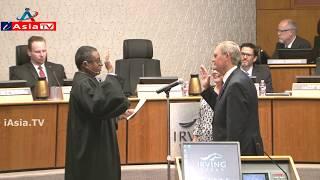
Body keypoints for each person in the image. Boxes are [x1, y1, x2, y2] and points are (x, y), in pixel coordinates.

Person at [64, 46, 133, 180]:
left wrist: (119, 116)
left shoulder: (89, 81)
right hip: (90, 147)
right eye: (97, 61)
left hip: (95, 141)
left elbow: (97, 112)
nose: (101, 64)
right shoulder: (83, 84)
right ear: (85, 64)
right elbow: (98, 106)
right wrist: (111, 73)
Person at [200, 41, 264, 155]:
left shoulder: (236, 84)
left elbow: (235, 128)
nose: (212, 60)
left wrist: (228, 156)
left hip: (240, 154)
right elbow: (224, 110)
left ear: (227, 56)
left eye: (215, 56)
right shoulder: (234, 79)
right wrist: (207, 89)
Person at [193, 70, 223, 142]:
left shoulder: (227, 92)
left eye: (218, 69)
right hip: (203, 141)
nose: (215, 72)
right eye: (213, 70)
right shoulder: (208, 91)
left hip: (219, 141)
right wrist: (195, 137)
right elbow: (200, 117)